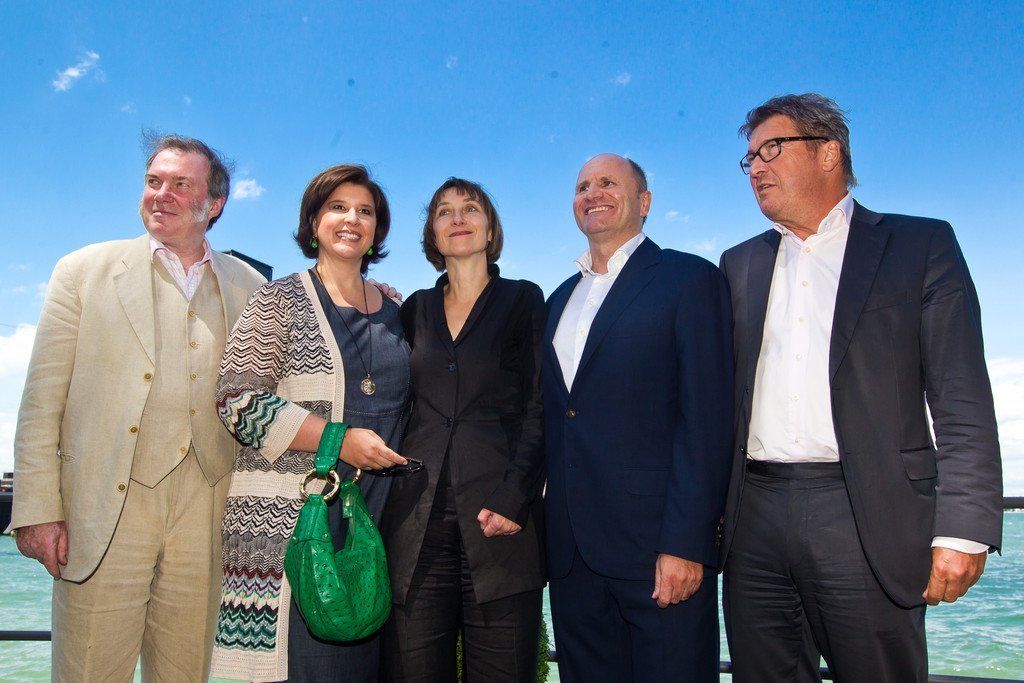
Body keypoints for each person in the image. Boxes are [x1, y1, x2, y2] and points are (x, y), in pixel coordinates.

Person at [718, 93, 1003, 682]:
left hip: (866, 511)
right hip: (753, 518)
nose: (756, 169)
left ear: (828, 153)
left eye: (772, 150)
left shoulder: (919, 245)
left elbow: (961, 398)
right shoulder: (738, 263)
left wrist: (965, 528)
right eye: (749, 159)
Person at [9, 134, 266, 679]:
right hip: (102, 511)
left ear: (214, 204)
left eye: (180, 184)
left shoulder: (252, 286)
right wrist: (37, 509)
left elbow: (293, 367)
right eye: (154, 181)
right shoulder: (81, 271)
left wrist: (370, 299)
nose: (161, 194)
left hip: (208, 510)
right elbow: (41, 402)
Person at [210, 164, 410, 682]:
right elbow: (236, 401)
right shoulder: (278, 300)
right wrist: (337, 440)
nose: (352, 219)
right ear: (314, 222)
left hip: (381, 521)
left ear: (378, 229)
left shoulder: (398, 311)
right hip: (297, 521)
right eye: (337, 207)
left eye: (365, 211)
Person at [543, 154, 734, 682]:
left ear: (644, 202)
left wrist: (686, 544)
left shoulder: (689, 279)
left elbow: (707, 422)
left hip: (658, 553)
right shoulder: (558, 299)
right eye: (583, 186)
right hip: (572, 559)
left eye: (608, 182)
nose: (593, 193)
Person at [380, 178, 546, 682]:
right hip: (416, 525)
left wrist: (515, 497)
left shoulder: (524, 300)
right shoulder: (412, 310)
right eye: (443, 212)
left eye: (470, 208)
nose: (457, 218)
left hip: (499, 524)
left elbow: (541, 404)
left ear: (490, 229)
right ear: (432, 235)